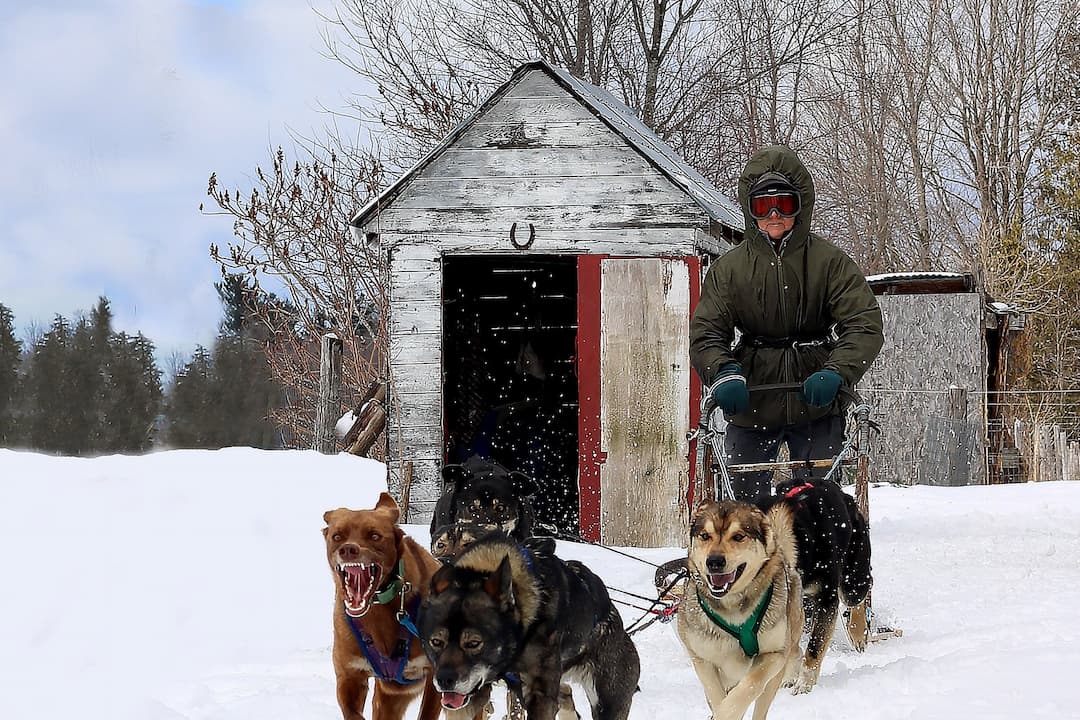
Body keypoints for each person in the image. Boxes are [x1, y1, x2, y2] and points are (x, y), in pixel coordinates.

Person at [690, 145, 884, 502]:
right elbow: (707, 333)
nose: (775, 215)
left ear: (801, 207)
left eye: (784, 204)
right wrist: (722, 372)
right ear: (752, 212)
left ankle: (816, 556)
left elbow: (863, 323)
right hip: (752, 399)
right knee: (745, 508)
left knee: (817, 504)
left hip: (816, 400)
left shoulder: (829, 263)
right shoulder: (729, 270)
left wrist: (837, 372)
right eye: (764, 207)